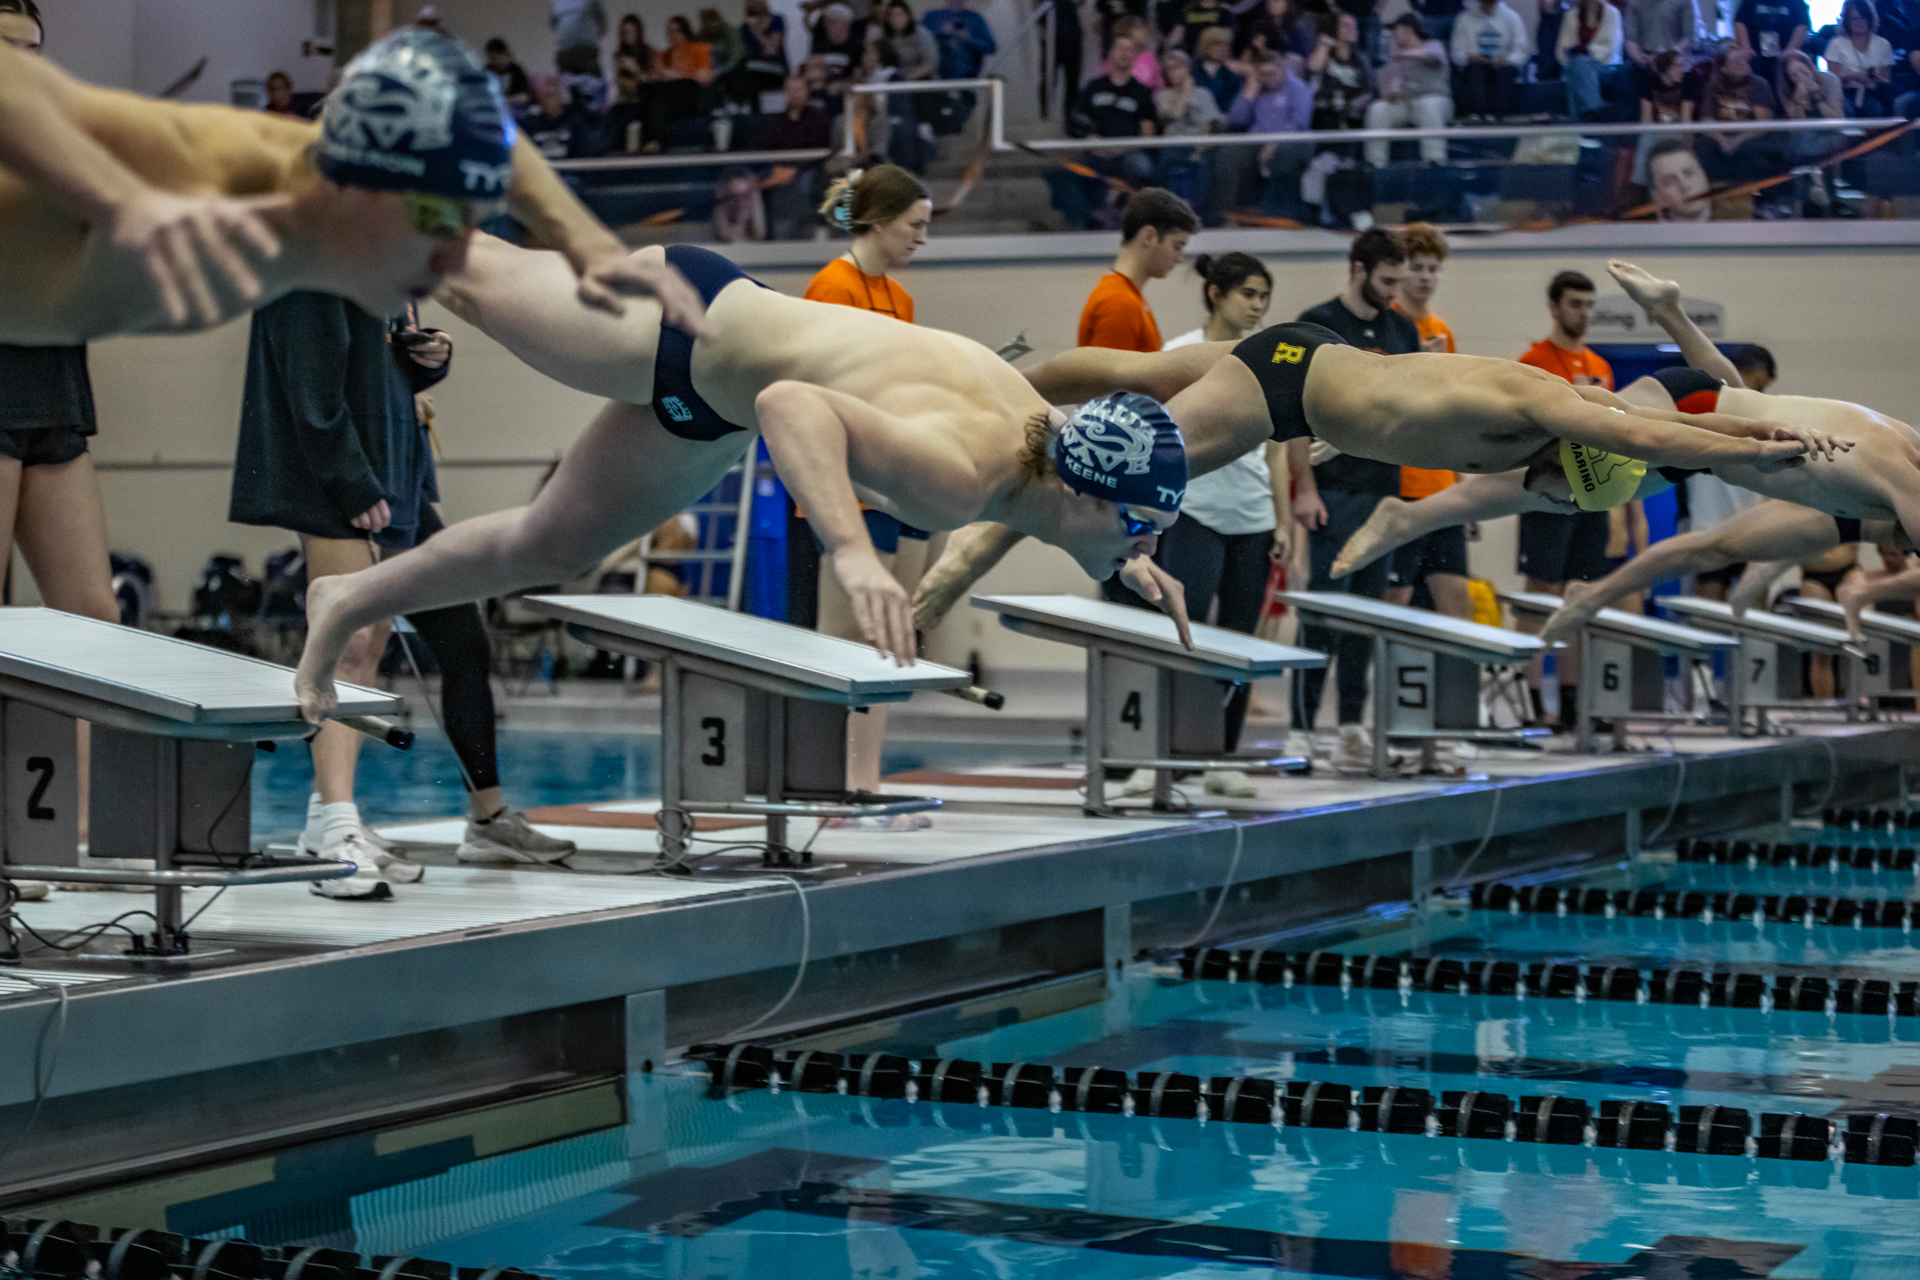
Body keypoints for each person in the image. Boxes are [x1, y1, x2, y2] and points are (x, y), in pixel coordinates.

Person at [294, 234, 1200, 728]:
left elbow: (1099, 498)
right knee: (455, 269)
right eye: (1140, 528)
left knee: (551, 545)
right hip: (680, 322)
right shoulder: (967, 475)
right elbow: (792, 404)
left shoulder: (1042, 440)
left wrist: (1127, 561)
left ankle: (348, 594)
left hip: (707, 409)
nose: (1147, 542)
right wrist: (850, 550)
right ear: (1083, 494)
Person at [910, 270, 1827, 687]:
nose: (1539, 499)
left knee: (1131, 381)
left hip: (1309, 373)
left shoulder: (1560, 443)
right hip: (1291, 386)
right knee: (1106, 469)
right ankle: (961, 549)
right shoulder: (1550, 406)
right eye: (1556, 490)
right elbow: (1657, 440)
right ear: (1569, 465)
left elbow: (1659, 423)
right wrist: (1758, 455)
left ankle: (983, 375)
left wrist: (1739, 422)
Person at [0, 29, 704, 346]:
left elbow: (486, 137)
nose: (461, 255)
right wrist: (118, 200)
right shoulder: (210, 173)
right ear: (355, 187)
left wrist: (584, 238)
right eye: (439, 218)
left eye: (473, 220)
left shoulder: (348, 170)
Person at [234, 294, 576, 897]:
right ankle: (334, 829)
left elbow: (376, 360)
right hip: (342, 473)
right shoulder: (316, 248)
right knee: (351, 642)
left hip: (392, 469)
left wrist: (430, 359)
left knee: (455, 637)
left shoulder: (386, 261)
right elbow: (307, 385)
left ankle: (459, 819)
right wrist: (351, 478)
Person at [1107, 253, 1281, 796]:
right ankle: (1156, 754)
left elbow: (1274, 451)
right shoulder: (1179, 355)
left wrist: (1287, 524)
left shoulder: (1271, 360)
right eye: (1248, 294)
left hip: (1253, 517)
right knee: (1179, 633)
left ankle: (1219, 756)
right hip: (1194, 512)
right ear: (1215, 294)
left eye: (1263, 297)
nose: (1257, 306)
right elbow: (1150, 440)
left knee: (1236, 639)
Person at [802, 167, 939, 818]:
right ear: (880, 221)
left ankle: (867, 780)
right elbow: (824, 398)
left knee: (892, 638)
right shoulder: (832, 287)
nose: (923, 238)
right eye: (915, 225)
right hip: (849, 489)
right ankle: (828, 779)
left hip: (895, 487)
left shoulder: (900, 299)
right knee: (842, 638)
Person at [1272, 229, 1420, 766]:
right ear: (1357, 269)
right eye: (1386, 281)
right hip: (1332, 490)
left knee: (1365, 613)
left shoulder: (1402, 328)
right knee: (1324, 614)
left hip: (1383, 491)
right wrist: (1303, 490)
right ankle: (1302, 728)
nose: (1394, 291)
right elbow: (1290, 410)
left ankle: (1352, 723)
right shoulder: (1317, 324)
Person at [1509, 269, 1614, 723]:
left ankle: (1572, 703)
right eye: (1575, 304)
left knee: (1580, 596)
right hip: (1548, 493)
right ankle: (1529, 701)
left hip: (1591, 496)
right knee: (1541, 595)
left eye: (1589, 305)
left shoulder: (1601, 367)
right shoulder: (1534, 361)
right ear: (1554, 307)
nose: (1583, 314)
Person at [1385, 222, 1472, 622]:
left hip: (1442, 490)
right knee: (1396, 597)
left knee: (1458, 601)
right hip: (1401, 485)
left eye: (1433, 269)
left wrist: (1463, 486)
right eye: (1417, 267)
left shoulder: (1442, 331)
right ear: (1399, 270)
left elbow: (1452, 414)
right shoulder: (1387, 326)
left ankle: (1458, 686)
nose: (1425, 277)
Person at [1050, 30, 1161, 229]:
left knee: (1144, 166)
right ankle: (1084, 221)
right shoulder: (1094, 87)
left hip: (1128, 154)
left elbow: (1148, 135)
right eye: (1120, 48)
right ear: (1111, 52)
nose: (1125, 53)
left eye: (1130, 49)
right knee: (1056, 173)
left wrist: (1121, 148)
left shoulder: (1141, 92)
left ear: (1135, 56)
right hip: (1095, 153)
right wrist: (1090, 140)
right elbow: (1076, 124)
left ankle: (1129, 215)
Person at [1079, 188, 1197, 351]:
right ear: (1149, 237)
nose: (1179, 258)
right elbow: (1107, 376)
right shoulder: (1119, 303)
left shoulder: (1129, 296)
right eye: (1176, 246)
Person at [1223, 51, 1316, 218]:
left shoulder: (1298, 88)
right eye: (1263, 74)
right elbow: (1236, 121)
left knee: (1284, 154)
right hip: (1257, 141)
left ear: (1283, 70)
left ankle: (1278, 213)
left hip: (1292, 142)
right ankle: (1236, 210)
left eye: (1272, 73)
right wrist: (1250, 91)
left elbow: (1299, 123)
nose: (1268, 78)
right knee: (1230, 151)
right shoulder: (1255, 87)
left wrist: (1275, 141)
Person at [1364, 14, 1453, 165]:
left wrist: (1404, 55)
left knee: (1428, 105)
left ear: (1407, 30)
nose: (1394, 36)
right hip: (1405, 104)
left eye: (1396, 31)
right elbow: (1385, 86)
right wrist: (1388, 94)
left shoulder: (1433, 45)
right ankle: (1375, 163)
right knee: (1378, 109)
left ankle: (1434, 161)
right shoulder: (1394, 58)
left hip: (1436, 101)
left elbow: (1434, 57)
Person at [763, 75, 835, 236]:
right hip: (778, 170)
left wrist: (797, 168)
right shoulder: (773, 120)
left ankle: (802, 235)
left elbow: (821, 152)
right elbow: (766, 147)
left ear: (806, 93)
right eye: (790, 90)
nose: (794, 94)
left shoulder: (818, 119)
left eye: (798, 90)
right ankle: (774, 238)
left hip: (809, 170)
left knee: (805, 182)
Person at [1450, 0, 1529, 120]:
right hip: (1474, 67)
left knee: (1503, 71)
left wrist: (1505, 60)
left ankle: (1497, 116)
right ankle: (1478, 114)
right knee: (1477, 70)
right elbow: (1457, 54)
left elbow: (1521, 52)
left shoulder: (1512, 18)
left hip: (1503, 66)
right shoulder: (1464, 19)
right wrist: (1471, 57)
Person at [1308, 11, 1376, 131]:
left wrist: (1352, 105)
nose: (1351, 29)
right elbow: (1313, 68)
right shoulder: (1327, 54)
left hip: (1353, 111)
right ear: (1336, 29)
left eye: (1354, 26)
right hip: (1327, 109)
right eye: (1346, 25)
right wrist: (1324, 45)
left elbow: (1368, 90)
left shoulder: (1361, 59)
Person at [1826, 0, 1897, 115]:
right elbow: (1832, 81)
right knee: (1845, 108)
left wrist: (1873, 78)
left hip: (1873, 93)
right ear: (1847, 20)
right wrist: (1852, 77)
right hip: (1844, 94)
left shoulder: (1883, 44)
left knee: (1875, 107)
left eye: (1862, 18)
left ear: (1869, 19)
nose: (1859, 22)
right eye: (1854, 18)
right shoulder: (1836, 44)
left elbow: (1886, 81)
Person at [1558, 0, 1624, 119]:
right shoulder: (1572, 15)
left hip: (1606, 66)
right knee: (1577, 66)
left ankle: (1577, 123)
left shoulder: (1612, 13)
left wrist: (1587, 57)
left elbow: (1612, 49)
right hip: (1578, 66)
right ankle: (1593, 113)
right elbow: (1561, 50)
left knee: (1578, 67)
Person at [524, 74, 603, 159]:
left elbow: (582, 154)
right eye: (543, 97)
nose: (546, 100)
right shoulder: (532, 126)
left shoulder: (576, 122)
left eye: (550, 95)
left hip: (570, 169)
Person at [1733, 0, 1809, 84]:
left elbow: (1802, 25)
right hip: (1755, 57)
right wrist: (1746, 47)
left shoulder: (1796, 2)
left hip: (1784, 59)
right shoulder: (1749, 1)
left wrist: (1790, 49)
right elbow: (1740, 22)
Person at [1623, 0, 1701, 81]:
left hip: (1677, 69)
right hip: (1644, 71)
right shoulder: (1635, 2)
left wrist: (1668, 57)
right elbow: (1631, 39)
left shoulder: (1684, 1)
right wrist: (1640, 58)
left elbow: (1690, 35)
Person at [738, 0, 791, 102]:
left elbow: (771, 49)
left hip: (774, 65)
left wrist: (757, 32)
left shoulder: (776, 20)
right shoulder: (745, 27)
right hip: (754, 69)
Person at [1192, 25, 1246, 113]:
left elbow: (1233, 101)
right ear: (1205, 44)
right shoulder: (1193, 69)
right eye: (1216, 44)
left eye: (1226, 45)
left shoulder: (1233, 73)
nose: (1222, 49)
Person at [551, 0, 609, 74]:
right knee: (564, 83)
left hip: (587, 53)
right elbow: (553, 25)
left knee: (591, 83)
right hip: (564, 54)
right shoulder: (557, 2)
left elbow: (603, 24)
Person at [485, 37, 533, 104]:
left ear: (504, 54)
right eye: (489, 58)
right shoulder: (486, 71)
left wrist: (505, 101)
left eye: (494, 58)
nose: (492, 62)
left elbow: (523, 97)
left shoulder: (516, 71)